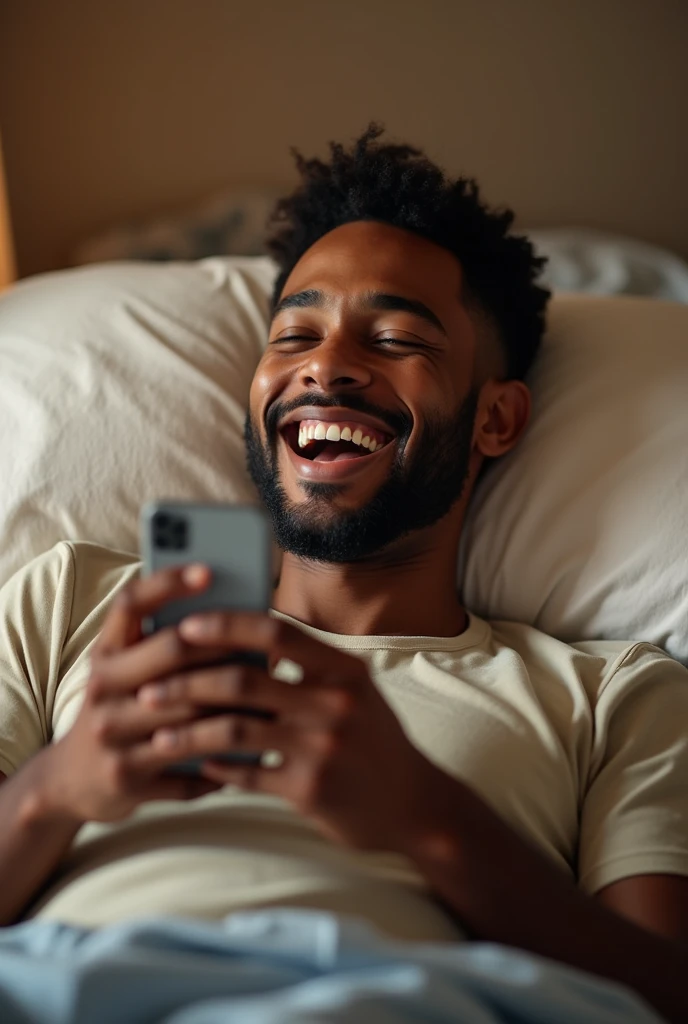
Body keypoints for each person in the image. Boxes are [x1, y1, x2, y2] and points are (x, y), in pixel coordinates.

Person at [0, 125, 686, 1023]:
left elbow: (666, 996)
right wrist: (59, 789)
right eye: (294, 335)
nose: (326, 365)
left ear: (496, 419)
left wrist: (425, 816)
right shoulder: (68, 602)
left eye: (397, 337)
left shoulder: (611, 699)